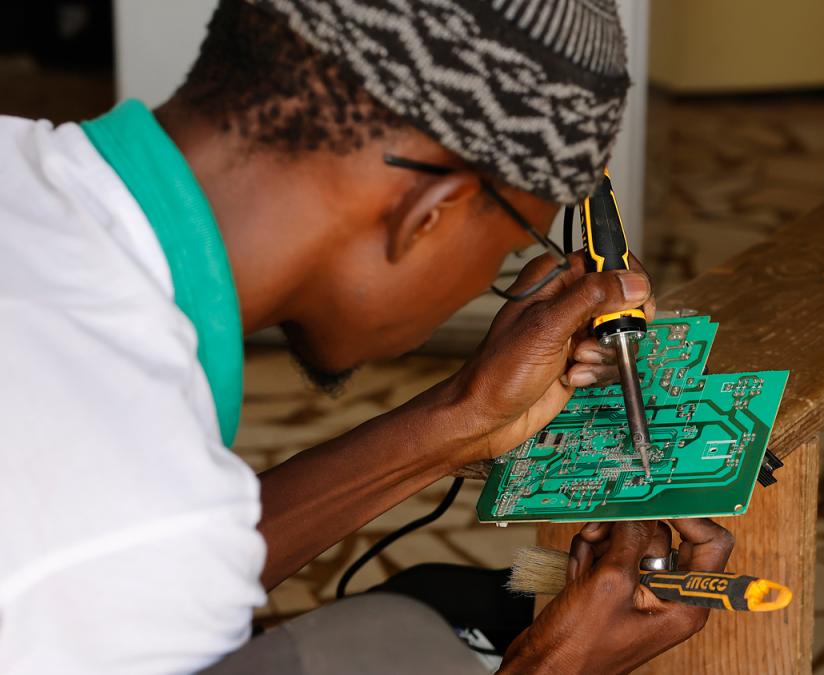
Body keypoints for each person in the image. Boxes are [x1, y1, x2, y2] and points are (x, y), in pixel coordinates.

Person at [0, 0, 735, 673]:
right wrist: (552, 665)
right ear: (428, 214)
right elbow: (134, 550)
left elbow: (145, 570)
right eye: (515, 245)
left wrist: (464, 415)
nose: (506, 270)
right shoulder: (124, 504)